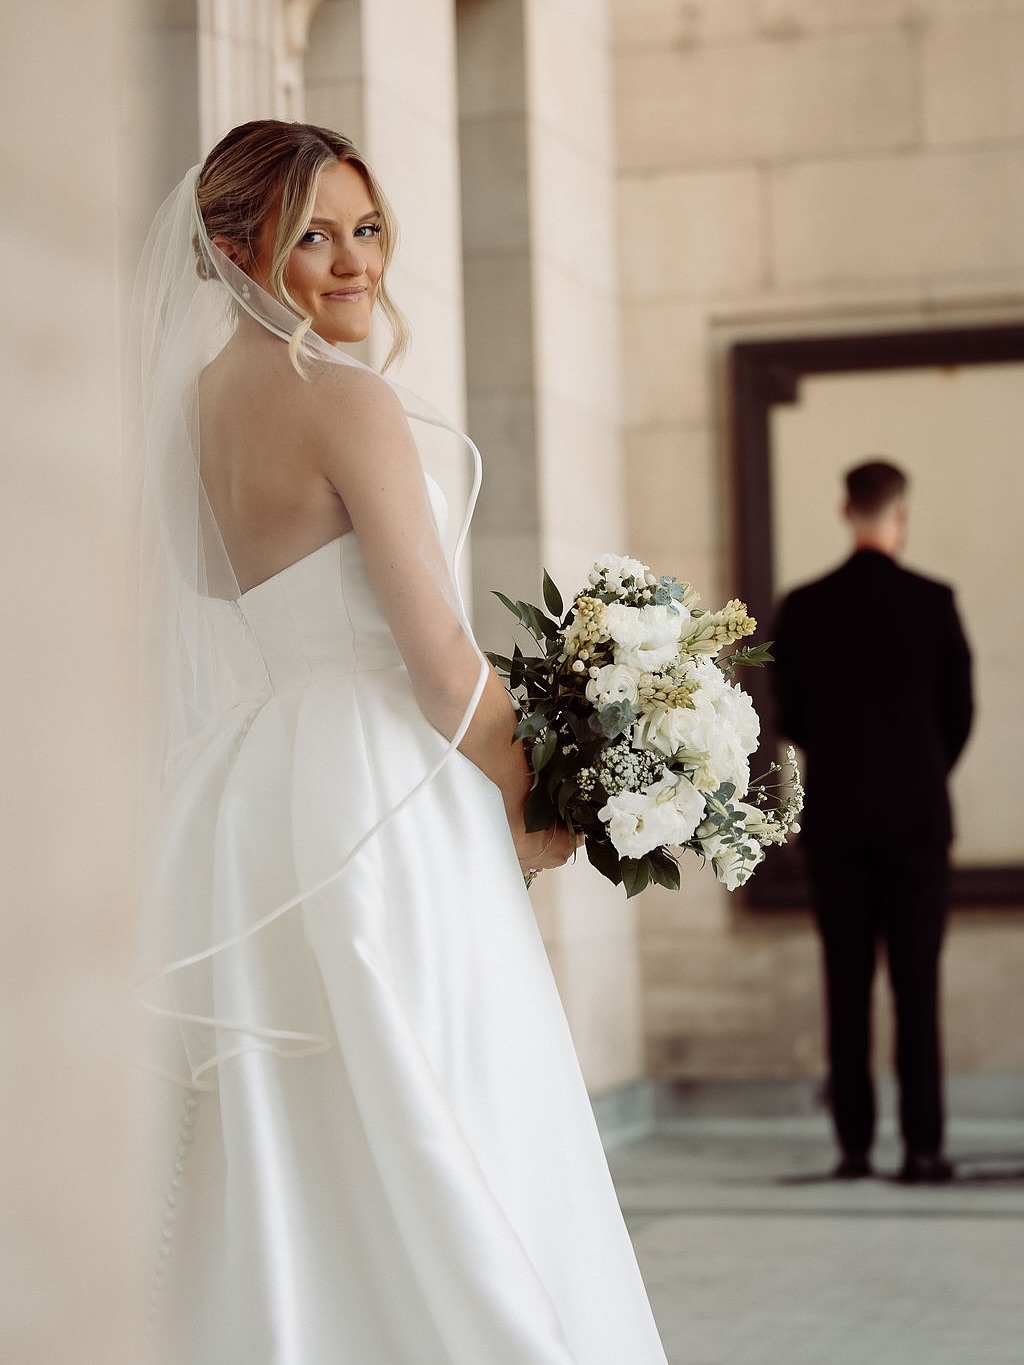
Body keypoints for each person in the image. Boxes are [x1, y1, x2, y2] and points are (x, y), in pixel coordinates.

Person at [132, 120, 667, 1363]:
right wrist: (544, 795)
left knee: (289, 1113)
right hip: (380, 782)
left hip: (259, 788)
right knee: (449, 1092)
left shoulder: (193, 412)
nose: (352, 262)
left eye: (364, 230)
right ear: (231, 248)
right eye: (310, 235)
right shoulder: (348, 399)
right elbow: (436, 667)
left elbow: (219, 597)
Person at [770, 460, 973, 1184]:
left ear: (843, 507)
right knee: (917, 987)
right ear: (902, 513)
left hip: (839, 821)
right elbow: (959, 713)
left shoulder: (804, 605)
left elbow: (789, 715)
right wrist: (919, 771)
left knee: (845, 984)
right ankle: (924, 1147)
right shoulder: (933, 600)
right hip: (918, 819)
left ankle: (854, 1147)